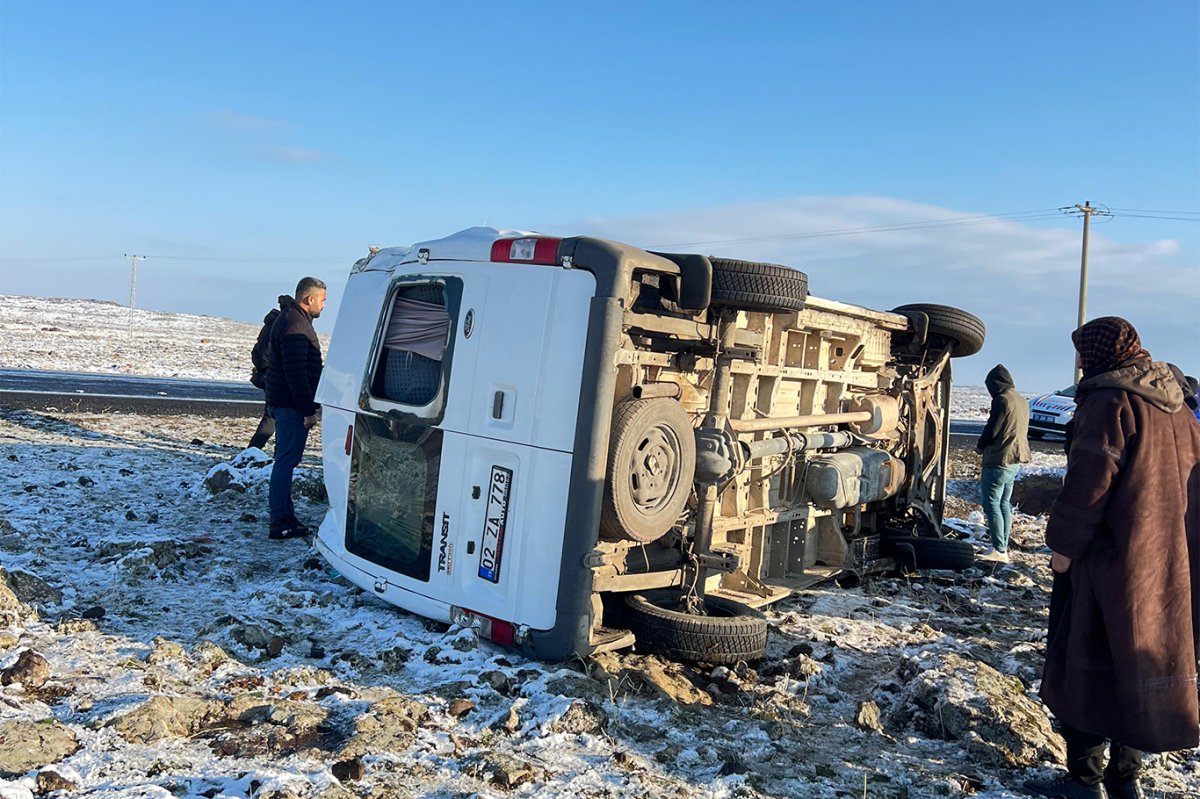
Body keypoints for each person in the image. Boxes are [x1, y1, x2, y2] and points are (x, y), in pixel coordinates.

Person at [1024, 317, 1200, 799]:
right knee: (1135, 665)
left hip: (1108, 562)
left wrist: (1063, 547)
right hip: (1167, 562)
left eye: (1083, 352)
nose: (1079, 362)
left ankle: (1085, 781)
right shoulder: (1178, 407)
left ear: (1103, 353)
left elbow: (1088, 486)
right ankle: (1126, 778)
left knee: (1083, 662)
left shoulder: (1110, 401)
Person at [265, 277, 327, 541]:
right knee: (285, 462)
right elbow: (296, 372)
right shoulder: (296, 326)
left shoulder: (293, 319)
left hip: (285, 403)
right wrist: (307, 410)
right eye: (323, 300)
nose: (324, 306)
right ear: (309, 299)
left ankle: (284, 514)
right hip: (290, 406)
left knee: (285, 461)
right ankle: (280, 520)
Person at [975, 364, 1031, 563]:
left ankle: (999, 549)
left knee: (991, 504)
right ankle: (1003, 545)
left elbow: (993, 428)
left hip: (998, 459)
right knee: (1004, 503)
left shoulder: (1002, 400)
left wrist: (980, 446)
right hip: (1015, 459)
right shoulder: (1021, 400)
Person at [246, 298, 285, 451]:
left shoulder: (269, 325)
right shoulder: (278, 326)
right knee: (272, 419)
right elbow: (265, 355)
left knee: (272, 417)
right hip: (274, 378)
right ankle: (254, 450)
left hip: (269, 376)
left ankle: (254, 450)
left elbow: (260, 354)